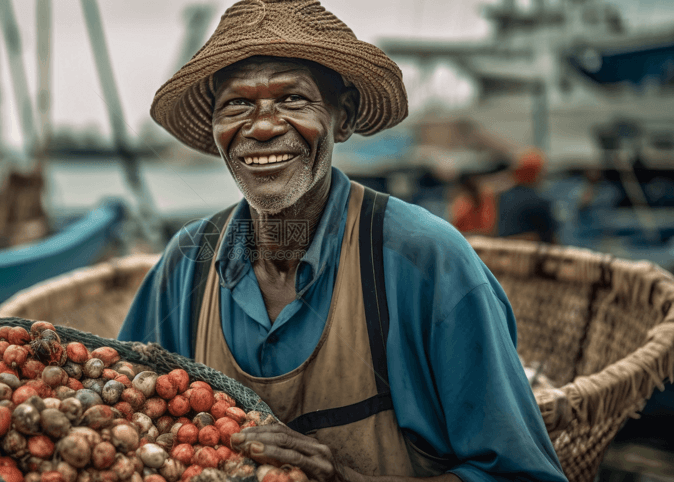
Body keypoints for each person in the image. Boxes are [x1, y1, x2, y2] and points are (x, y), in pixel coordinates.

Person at [119, 1, 566, 480]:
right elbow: (126, 421)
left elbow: (521, 474)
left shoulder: (425, 260)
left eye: (293, 99)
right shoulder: (187, 263)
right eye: (236, 104)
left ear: (344, 116)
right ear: (216, 126)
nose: (263, 126)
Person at [496, 149, 558, 244]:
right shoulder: (538, 201)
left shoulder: (503, 197)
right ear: (536, 173)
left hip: (505, 253)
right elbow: (551, 239)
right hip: (529, 255)